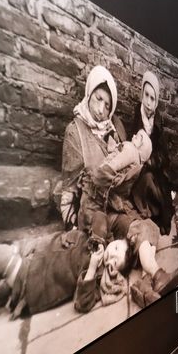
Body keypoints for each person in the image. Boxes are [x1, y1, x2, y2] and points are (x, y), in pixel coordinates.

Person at [0, 218, 174, 333]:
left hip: (35, 285)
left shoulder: (98, 271)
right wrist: (22, 248)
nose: (111, 254)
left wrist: (93, 269)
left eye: (117, 258)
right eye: (114, 247)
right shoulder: (82, 238)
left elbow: (83, 303)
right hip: (30, 264)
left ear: (117, 266)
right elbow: (50, 242)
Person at [60, 65, 127, 234]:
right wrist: (72, 226)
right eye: (98, 98)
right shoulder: (75, 131)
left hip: (116, 203)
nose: (100, 110)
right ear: (89, 93)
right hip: (90, 210)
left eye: (107, 106)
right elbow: (69, 191)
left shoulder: (114, 125)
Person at [130, 71, 175, 235]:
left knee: (158, 190)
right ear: (142, 94)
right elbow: (131, 141)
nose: (148, 102)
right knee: (143, 182)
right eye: (146, 95)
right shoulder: (136, 114)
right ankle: (146, 210)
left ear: (156, 102)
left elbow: (165, 156)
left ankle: (158, 214)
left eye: (152, 98)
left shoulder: (158, 121)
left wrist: (152, 161)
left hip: (154, 166)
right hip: (140, 166)